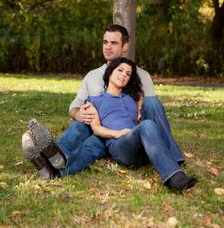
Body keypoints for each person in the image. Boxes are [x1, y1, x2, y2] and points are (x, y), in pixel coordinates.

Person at [22, 24, 184, 178]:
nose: (107, 47)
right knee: (82, 127)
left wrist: (139, 107)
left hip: (130, 136)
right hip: (98, 131)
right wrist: (80, 114)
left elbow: (151, 109)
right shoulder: (92, 75)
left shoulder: (141, 75)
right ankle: (54, 157)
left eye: (113, 43)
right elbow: (75, 105)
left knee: (151, 102)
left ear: (125, 46)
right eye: (105, 42)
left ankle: (171, 155)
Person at [24, 58, 197, 191]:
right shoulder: (94, 100)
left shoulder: (133, 97)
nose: (124, 74)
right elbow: (96, 129)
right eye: (120, 70)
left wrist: (141, 106)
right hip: (120, 146)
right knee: (145, 126)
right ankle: (174, 177)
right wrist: (118, 133)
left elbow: (145, 107)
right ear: (110, 72)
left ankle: (50, 166)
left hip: (143, 146)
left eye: (128, 73)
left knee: (148, 123)